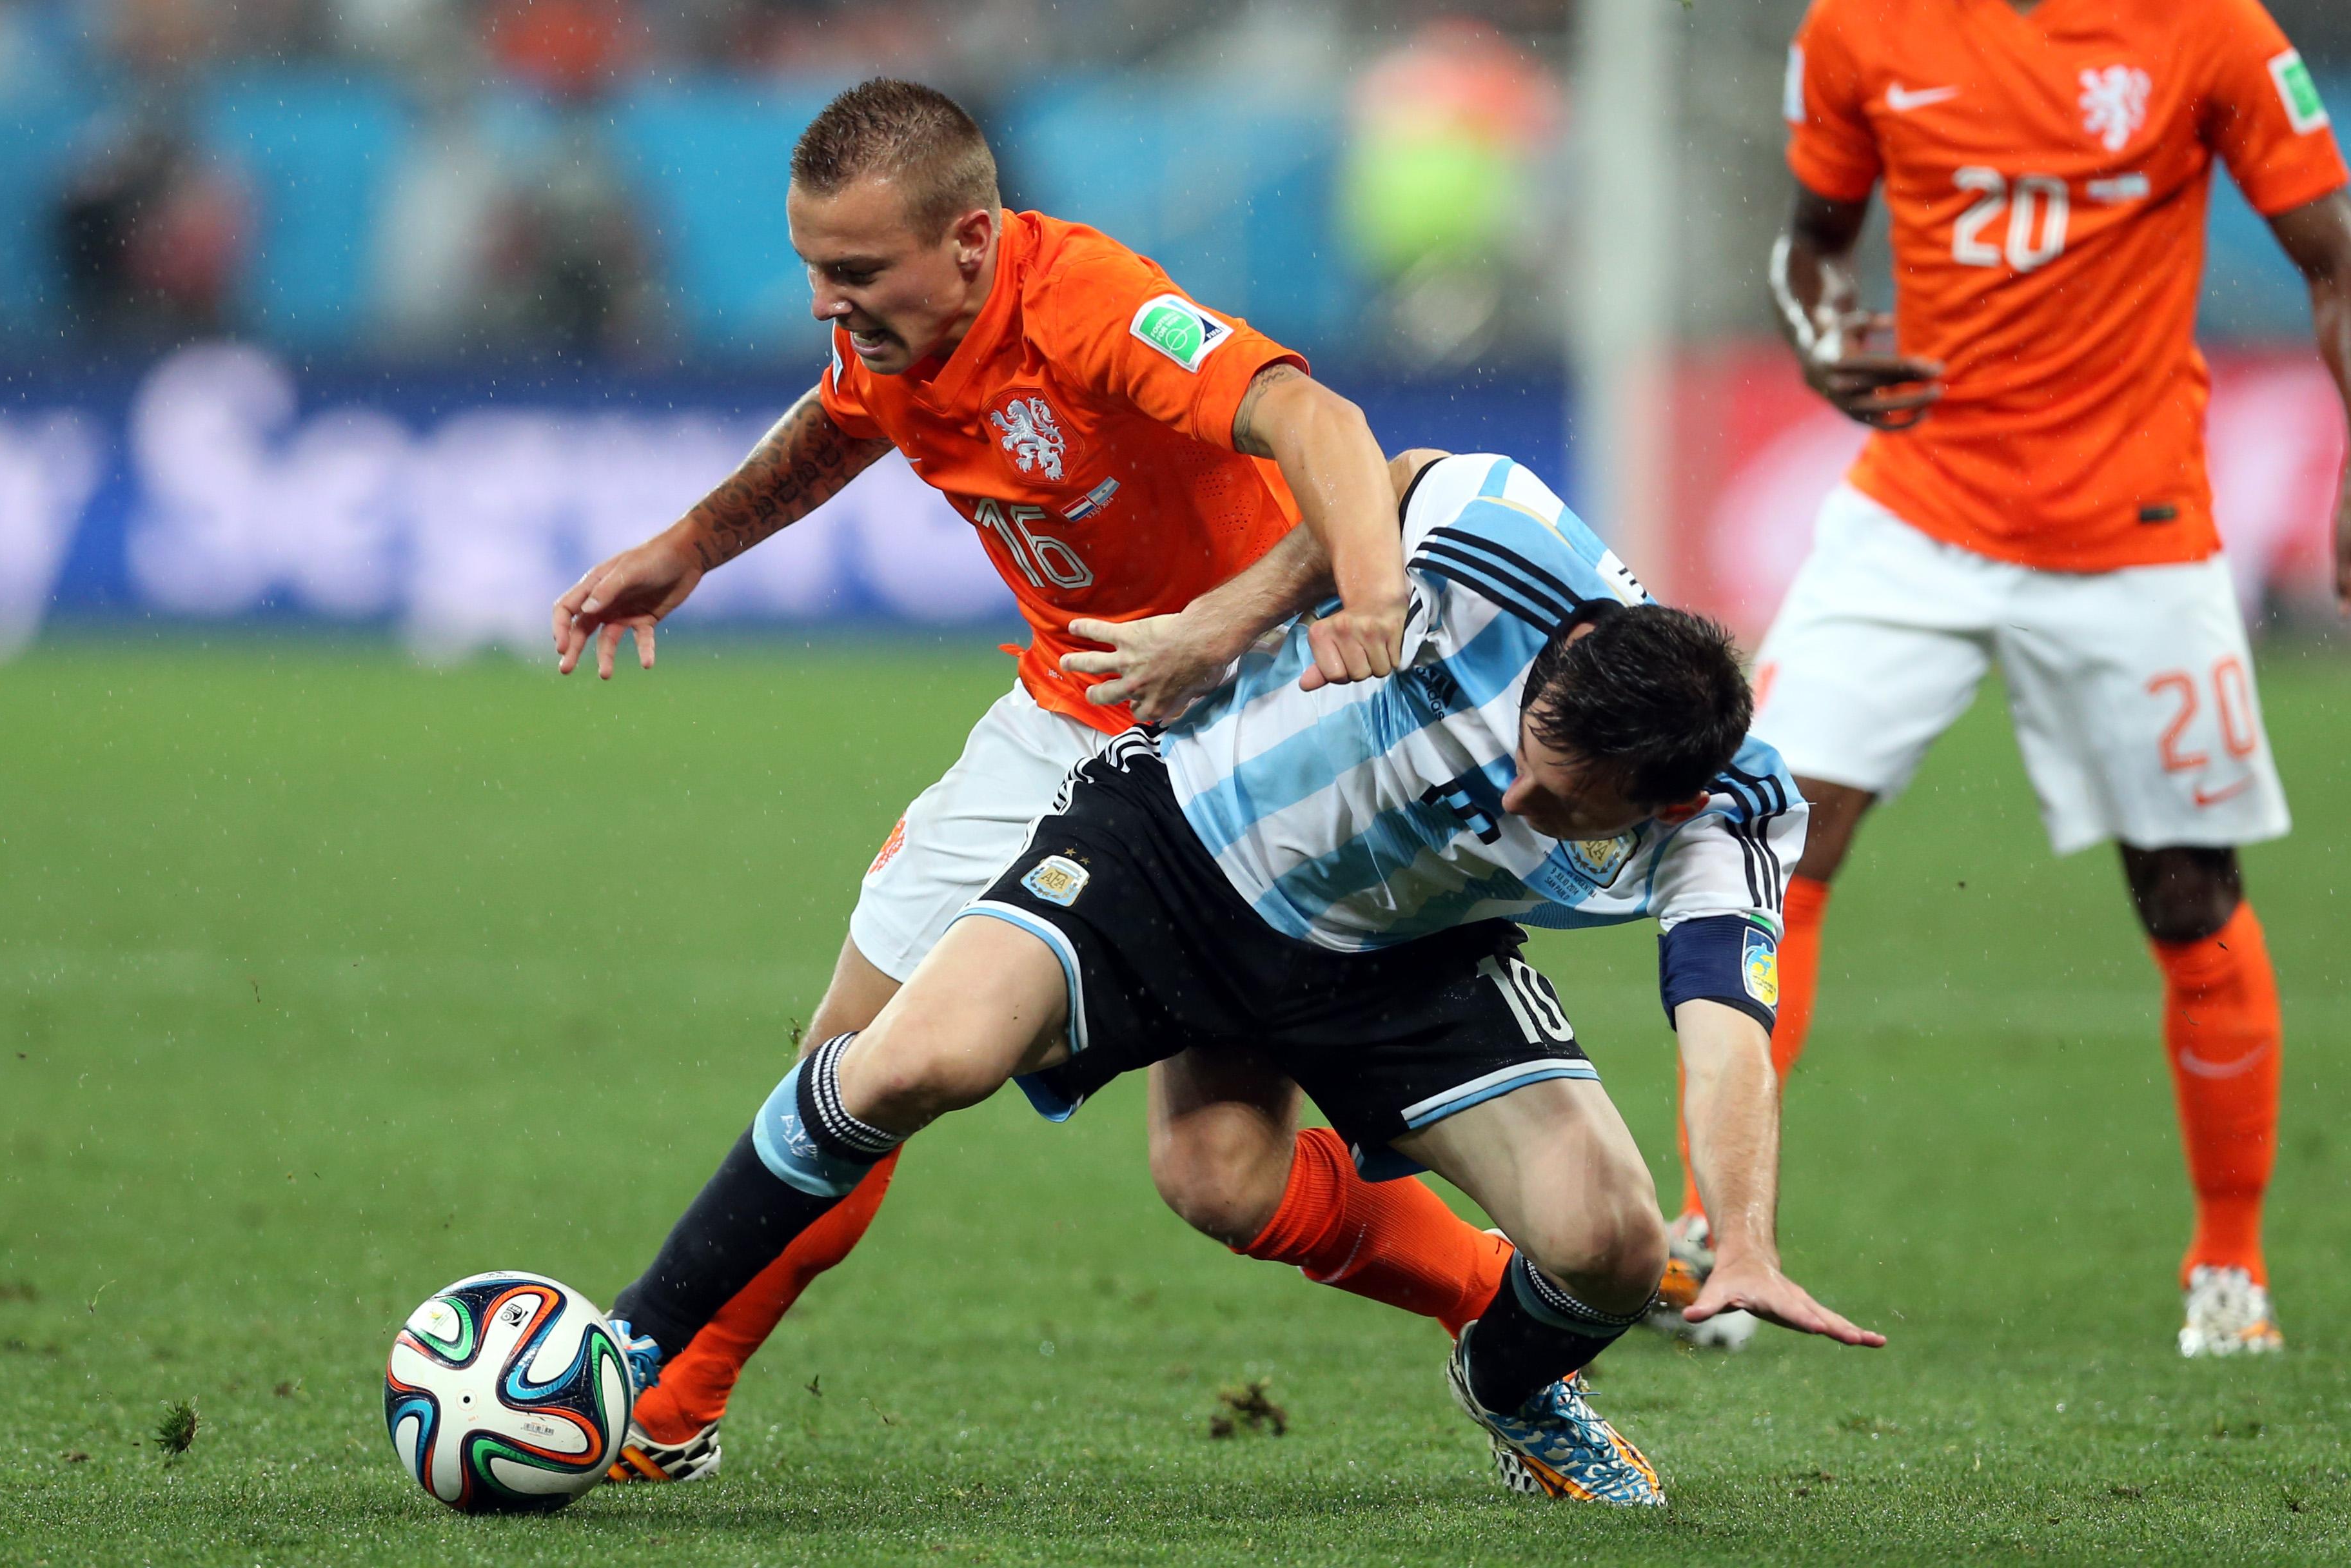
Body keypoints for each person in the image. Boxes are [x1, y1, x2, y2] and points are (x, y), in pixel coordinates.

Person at [605, 448, 1884, 1509]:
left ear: (1673, 800)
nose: (1517, 794)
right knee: (913, 1058)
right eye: (1527, 749)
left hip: (1404, 950)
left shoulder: (1740, 816)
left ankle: (1512, 1379)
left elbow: (1724, 1024)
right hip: (1177, 839)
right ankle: (630, 1346)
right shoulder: (1508, 546)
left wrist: (1751, 1236)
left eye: (1561, 804)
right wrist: (1236, 620)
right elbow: (1381, 474)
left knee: (1607, 1243)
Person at [554, 77, 1519, 1480]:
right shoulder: (895, 329)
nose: (830, 303)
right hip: (1067, 709)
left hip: (1243, 731)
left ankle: (1506, 1305)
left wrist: (1346, 604)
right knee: (850, 1067)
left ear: (968, 238)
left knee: (1221, 1177)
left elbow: (1318, 421)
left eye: (858, 272)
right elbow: (843, 415)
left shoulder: (1086, 304)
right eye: (813, 269)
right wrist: (695, 543)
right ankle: (675, 1404)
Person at [1667, 0, 2351, 1357]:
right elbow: (1809, 251)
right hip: (1916, 510)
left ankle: (2229, 1266)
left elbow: (2334, 259)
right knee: (1770, 831)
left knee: (2188, 887)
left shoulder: (2209, 31)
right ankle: (1712, 1235)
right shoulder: (1863, 28)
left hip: (2136, 527)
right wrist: (1823, 333)